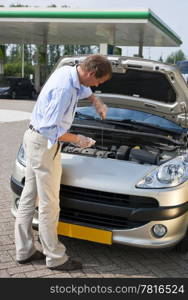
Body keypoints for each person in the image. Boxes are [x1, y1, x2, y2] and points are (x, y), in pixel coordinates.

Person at [15, 54, 112, 271]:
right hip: (43, 144)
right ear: (90, 73)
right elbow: (49, 129)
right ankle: (55, 257)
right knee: (49, 204)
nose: (97, 86)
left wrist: (97, 101)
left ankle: (24, 251)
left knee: (29, 197)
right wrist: (79, 139)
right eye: (98, 81)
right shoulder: (65, 90)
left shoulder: (67, 71)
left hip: (32, 140)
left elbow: (84, 89)